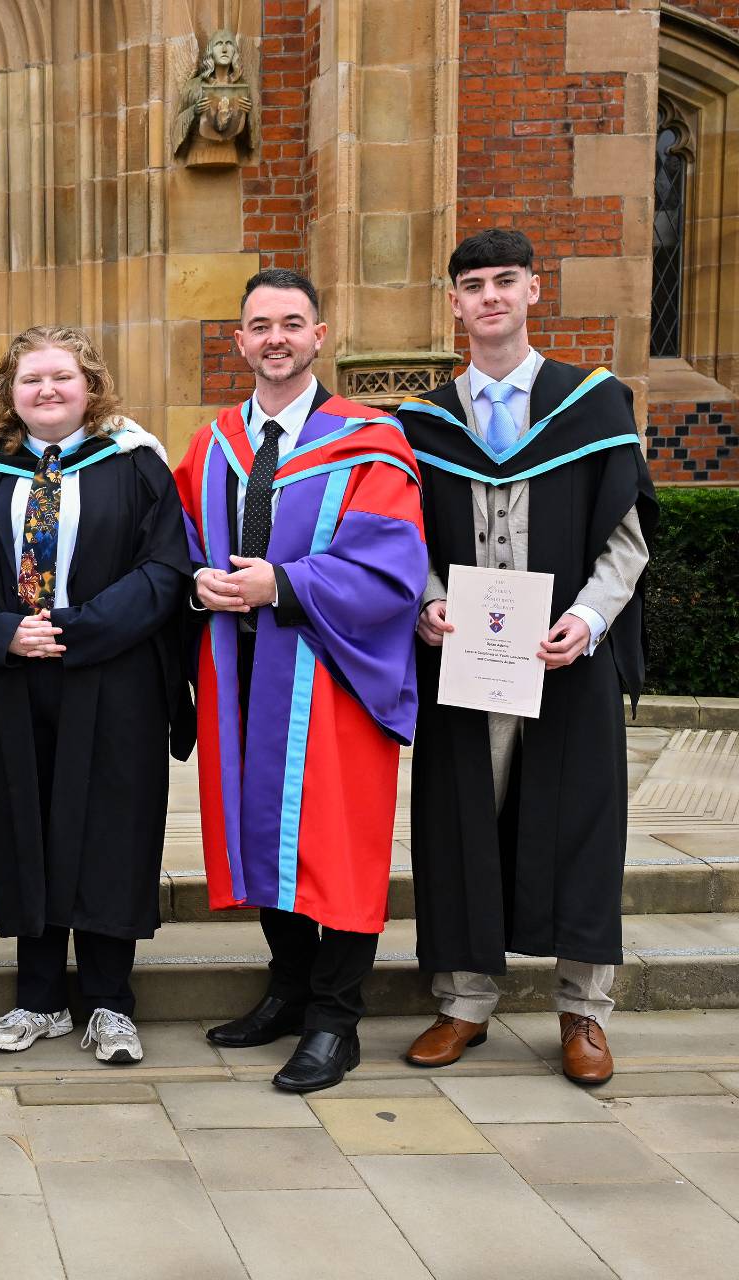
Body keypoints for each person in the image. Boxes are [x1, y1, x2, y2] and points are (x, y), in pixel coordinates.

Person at [398, 230, 656, 1086]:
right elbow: (402, 538)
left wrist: (587, 619)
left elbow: (627, 541)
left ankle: (585, 1011)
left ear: (534, 291)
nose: (490, 297)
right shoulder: (422, 422)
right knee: (459, 823)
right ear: (456, 304)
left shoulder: (593, 405)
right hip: (464, 662)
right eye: (473, 285)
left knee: (580, 828)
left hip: (566, 660)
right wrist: (429, 598)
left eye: (506, 280)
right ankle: (464, 1002)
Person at [174, 269, 428, 1092]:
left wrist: (279, 585)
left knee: (341, 847)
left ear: (320, 336)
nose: (275, 337)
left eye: (292, 322)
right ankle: (286, 992)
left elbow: (391, 568)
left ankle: (335, 1021)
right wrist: (195, 583)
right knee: (264, 840)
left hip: (332, 676)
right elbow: (175, 542)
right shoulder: (213, 445)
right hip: (242, 673)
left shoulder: (371, 441)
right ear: (240, 341)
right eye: (260, 325)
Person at [0, 326, 194, 1065]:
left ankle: (112, 1003)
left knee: (113, 828)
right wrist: (2, 632)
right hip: (15, 681)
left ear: (91, 385)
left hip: (113, 679)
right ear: (7, 395)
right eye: (30, 380)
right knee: (25, 826)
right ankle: (40, 997)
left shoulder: (138, 466)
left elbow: (163, 568)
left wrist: (77, 629)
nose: (47, 391)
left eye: (62, 377)